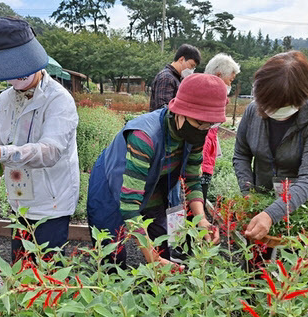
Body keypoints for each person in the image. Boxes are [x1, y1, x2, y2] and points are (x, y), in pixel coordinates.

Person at [87, 74, 226, 268]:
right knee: (111, 253)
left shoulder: (196, 135)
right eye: (199, 123)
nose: (203, 129)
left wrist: (201, 219)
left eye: (209, 125)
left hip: (153, 186)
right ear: (179, 112)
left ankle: (158, 288)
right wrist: (150, 257)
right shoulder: (144, 137)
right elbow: (129, 205)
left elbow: (193, 180)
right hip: (112, 185)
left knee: (161, 241)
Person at [0, 17, 79, 263]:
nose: (15, 76)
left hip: (51, 203)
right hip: (19, 197)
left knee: (46, 273)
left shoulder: (58, 99)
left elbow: (50, 151)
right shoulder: (6, 99)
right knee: (21, 267)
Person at [233, 51, 308, 244]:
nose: (274, 111)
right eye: (269, 105)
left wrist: (272, 214)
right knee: (257, 256)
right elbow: (241, 154)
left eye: (283, 106)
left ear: (302, 98)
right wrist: (248, 193)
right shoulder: (253, 110)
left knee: (300, 254)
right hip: (263, 197)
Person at [201, 53, 240, 202]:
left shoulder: (217, 98)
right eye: (230, 80)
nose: (230, 85)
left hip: (206, 156)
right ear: (218, 75)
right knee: (195, 197)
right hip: (200, 158)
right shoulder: (204, 97)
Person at [149, 44, 201, 111]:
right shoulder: (166, 78)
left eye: (194, 68)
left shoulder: (176, 78)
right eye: (191, 65)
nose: (192, 70)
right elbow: (164, 110)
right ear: (181, 59)